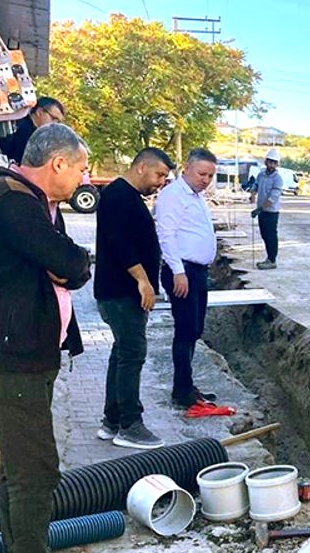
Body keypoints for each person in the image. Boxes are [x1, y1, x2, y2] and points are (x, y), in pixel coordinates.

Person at [0, 122, 98, 553]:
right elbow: (71, 262)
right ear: (57, 163)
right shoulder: (12, 202)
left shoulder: (30, 202)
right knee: (36, 469)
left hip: (18, 357)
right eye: (80, 168)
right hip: (7, 361)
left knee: (18, 468)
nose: (84, 178)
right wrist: (71, 263)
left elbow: (67, 265)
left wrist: (69, 264)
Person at [94, 147, 175, 449]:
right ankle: (130, 424)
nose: (161, 182)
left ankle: (111, 420)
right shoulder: (118, 196)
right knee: (132, 354)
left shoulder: (128, 198)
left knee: (122, 353)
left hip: (122, 293)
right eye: (159, 175)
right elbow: (120, 244)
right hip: (121, 293)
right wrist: (143, 281)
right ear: (141, 167)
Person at [155, 147, 220, 409]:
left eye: (210, 176)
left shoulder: (195, 196)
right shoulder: (173, 195)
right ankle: (181, 391)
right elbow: (166, 234)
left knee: (195, 330)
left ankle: (187, 384)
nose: (206, 180)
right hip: (182, 272)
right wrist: (178, 271)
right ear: (187, 168)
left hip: (197, 272)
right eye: (202, 173)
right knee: (185, 331)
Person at [0, 96, 65, 165]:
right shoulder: (19, 127)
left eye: (58, 122)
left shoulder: (38, 135)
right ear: (39, 112)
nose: (55, 124)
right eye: (53, 118)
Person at [250, 148, 285, 270]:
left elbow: (273, 198)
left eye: (274, 163)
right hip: (262, 211)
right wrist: (253, 194)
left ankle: (272, 260)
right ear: (266, 162)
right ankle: (268, 258)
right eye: (269, 162)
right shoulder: (261, 175)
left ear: (277, 164)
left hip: (271, 212)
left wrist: (259, 209)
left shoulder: (278, 179)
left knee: (271, 236)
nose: (271, 165)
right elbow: (255, 185)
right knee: (264, 235)